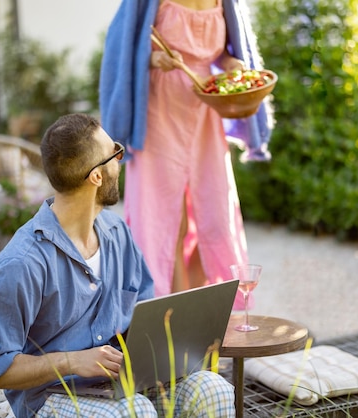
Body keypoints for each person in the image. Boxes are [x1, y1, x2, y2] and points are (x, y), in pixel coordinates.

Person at [0, 113, 235, 418]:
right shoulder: (23, 263)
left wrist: (179, 341)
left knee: (212, 390)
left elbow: (145, 309)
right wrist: (71, 361)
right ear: (96, 176)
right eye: (115, 153)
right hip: (51, 396)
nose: (119, 162)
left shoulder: (117, 233)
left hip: (123, 384)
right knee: (134, 413)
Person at [99, 0, 274, 308]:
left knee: (216, 217)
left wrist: (231, 63)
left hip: (204, 111)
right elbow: (120, 46)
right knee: (163, 221)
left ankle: (213, 311)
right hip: (158, 112)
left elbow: (219, 50)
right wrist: (155, 59)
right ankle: (164, 317)